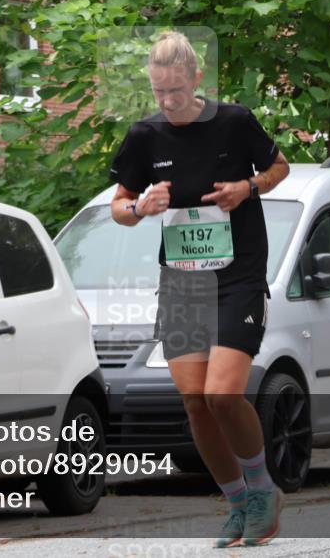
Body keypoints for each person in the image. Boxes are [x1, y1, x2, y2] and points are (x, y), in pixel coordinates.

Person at [109, 31, 290, 547]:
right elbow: (118, 207)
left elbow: (280, 167)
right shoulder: (145, 136)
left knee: (222, 393)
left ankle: (262, 491)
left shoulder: (234, 121)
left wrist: (247, 187)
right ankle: (236, 503)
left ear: (195, 80)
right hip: (183, 280)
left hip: (237, 274)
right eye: (158, 92)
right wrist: (140, 208)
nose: (167, 102)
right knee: (194, 401)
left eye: (175, 91)